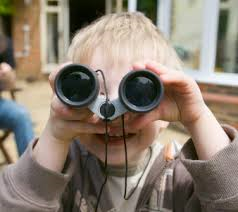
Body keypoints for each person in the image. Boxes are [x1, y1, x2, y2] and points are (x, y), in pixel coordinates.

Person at [0, 12, 238, 211]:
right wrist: (54, 135)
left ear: (165, 113)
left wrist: (197, 117)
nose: (112, 115)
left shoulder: (183, 175)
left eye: (137, 95)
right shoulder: (64, 169)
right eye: (89, 92)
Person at [0, 35, 34, 156]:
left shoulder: (3, 42)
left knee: (21, 115)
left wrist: (7, 74)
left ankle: (29, 168)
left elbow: (10, 84)